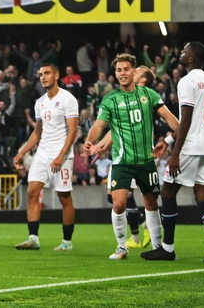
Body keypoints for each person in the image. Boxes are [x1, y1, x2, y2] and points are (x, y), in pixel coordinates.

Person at [85, 53, 179, 260]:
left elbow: (169, 118)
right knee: (118, 204)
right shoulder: (110, 99)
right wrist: (90, 141)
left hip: (146, 161)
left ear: (133, 71)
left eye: (126, 69)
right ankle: (121, 247)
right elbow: (99, 126)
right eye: (119, 70)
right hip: (122, 162)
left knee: (151, 204)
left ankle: (157, 246)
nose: (122, 73)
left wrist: (176, 132)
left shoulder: (149, 95)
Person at [142, 42, 204, 262]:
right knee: (203, 195)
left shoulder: (187, 81)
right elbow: (196, 118)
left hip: (192, 145)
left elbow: (186, 120)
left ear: (191, 59)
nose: (181, 52)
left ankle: (167, 248)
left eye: (185, 50)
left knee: (168, 192)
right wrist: (168, 140)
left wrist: (175, 153)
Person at [13, 63, 79, 251]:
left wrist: (61, 155)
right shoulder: (40, 102)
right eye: (41, 74)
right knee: (32, 192)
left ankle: (67, 242)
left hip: (61, 156)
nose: (43, 77)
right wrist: (22, 152)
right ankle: (33, 238)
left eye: (47, 73)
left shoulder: (68, 99)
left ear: (56, 76)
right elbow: (37, 132)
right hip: (42, 154)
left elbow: (73, 131)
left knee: (64, 197)